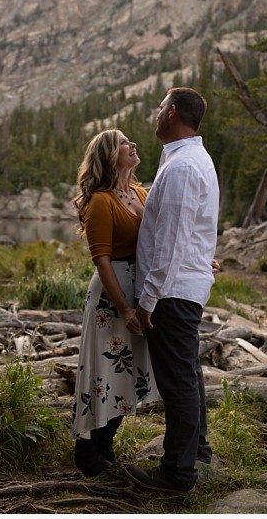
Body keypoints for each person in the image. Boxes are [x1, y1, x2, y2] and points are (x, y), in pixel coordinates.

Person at [125, 87, 220, 493]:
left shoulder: (182, 167)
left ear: (173, 112)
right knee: (188, 374)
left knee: (178, 380)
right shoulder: (186, 160)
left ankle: (177, 474)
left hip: (173, 290)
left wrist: (148, 298)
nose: (156, 112)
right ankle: (197, 450)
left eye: (161, 106)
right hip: (181, 286)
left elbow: (173, 240)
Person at [69, 129, 159, 477]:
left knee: (131, 371)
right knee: (105, 371)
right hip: (112, 297)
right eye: (123, 142)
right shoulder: (101, 200)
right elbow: (102, 260)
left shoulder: (139, 192)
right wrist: (124, 307)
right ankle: (88, 449)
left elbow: (164, 236)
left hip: (140, 290)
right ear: (108, 155)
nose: (132, 145)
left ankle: (106, 442)